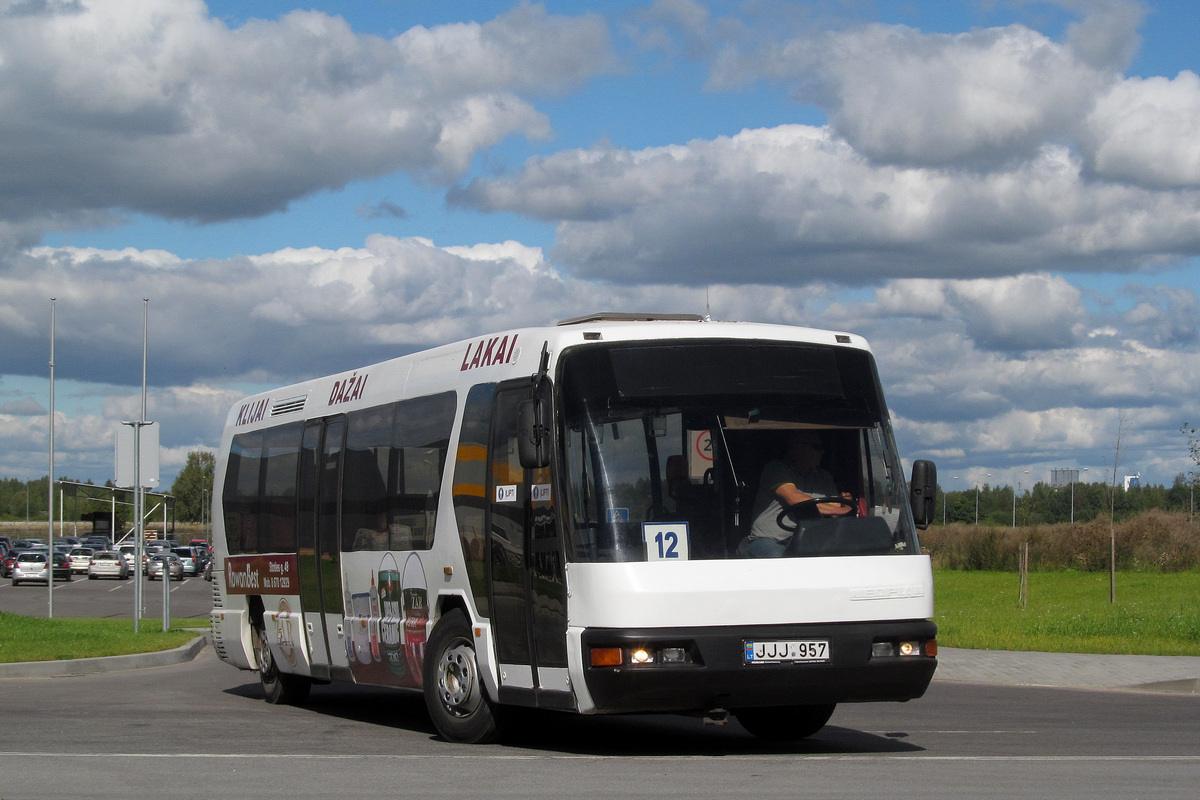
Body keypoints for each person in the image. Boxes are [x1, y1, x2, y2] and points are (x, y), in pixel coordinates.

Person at [742, 430, 850, 557]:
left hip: (809, 541)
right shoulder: (776, 469)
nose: (822, 452)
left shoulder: (824, 477)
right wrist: (839, 510)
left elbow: (835, 507)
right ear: (797, 447)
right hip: (771, 541)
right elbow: (795, 498)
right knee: (780, 558)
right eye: (816, 447)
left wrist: (844, 504)